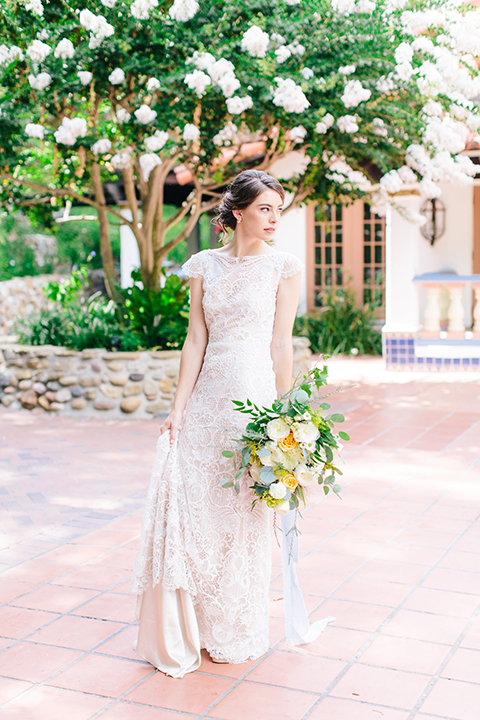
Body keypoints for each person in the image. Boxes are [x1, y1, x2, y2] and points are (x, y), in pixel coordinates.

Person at [130, 169, 303, 678]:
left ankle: (236, 625)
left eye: (279, 209)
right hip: (206, 402)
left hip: (254, 399)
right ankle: (195, 624)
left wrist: (285, 411)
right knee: (201, 508)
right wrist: (177, 407)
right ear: (240, 211)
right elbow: (195, 340)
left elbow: (281, 343)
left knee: (243, 512)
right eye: (266, 208)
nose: (274, 218)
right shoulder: (204, 265)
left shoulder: (283, 268)